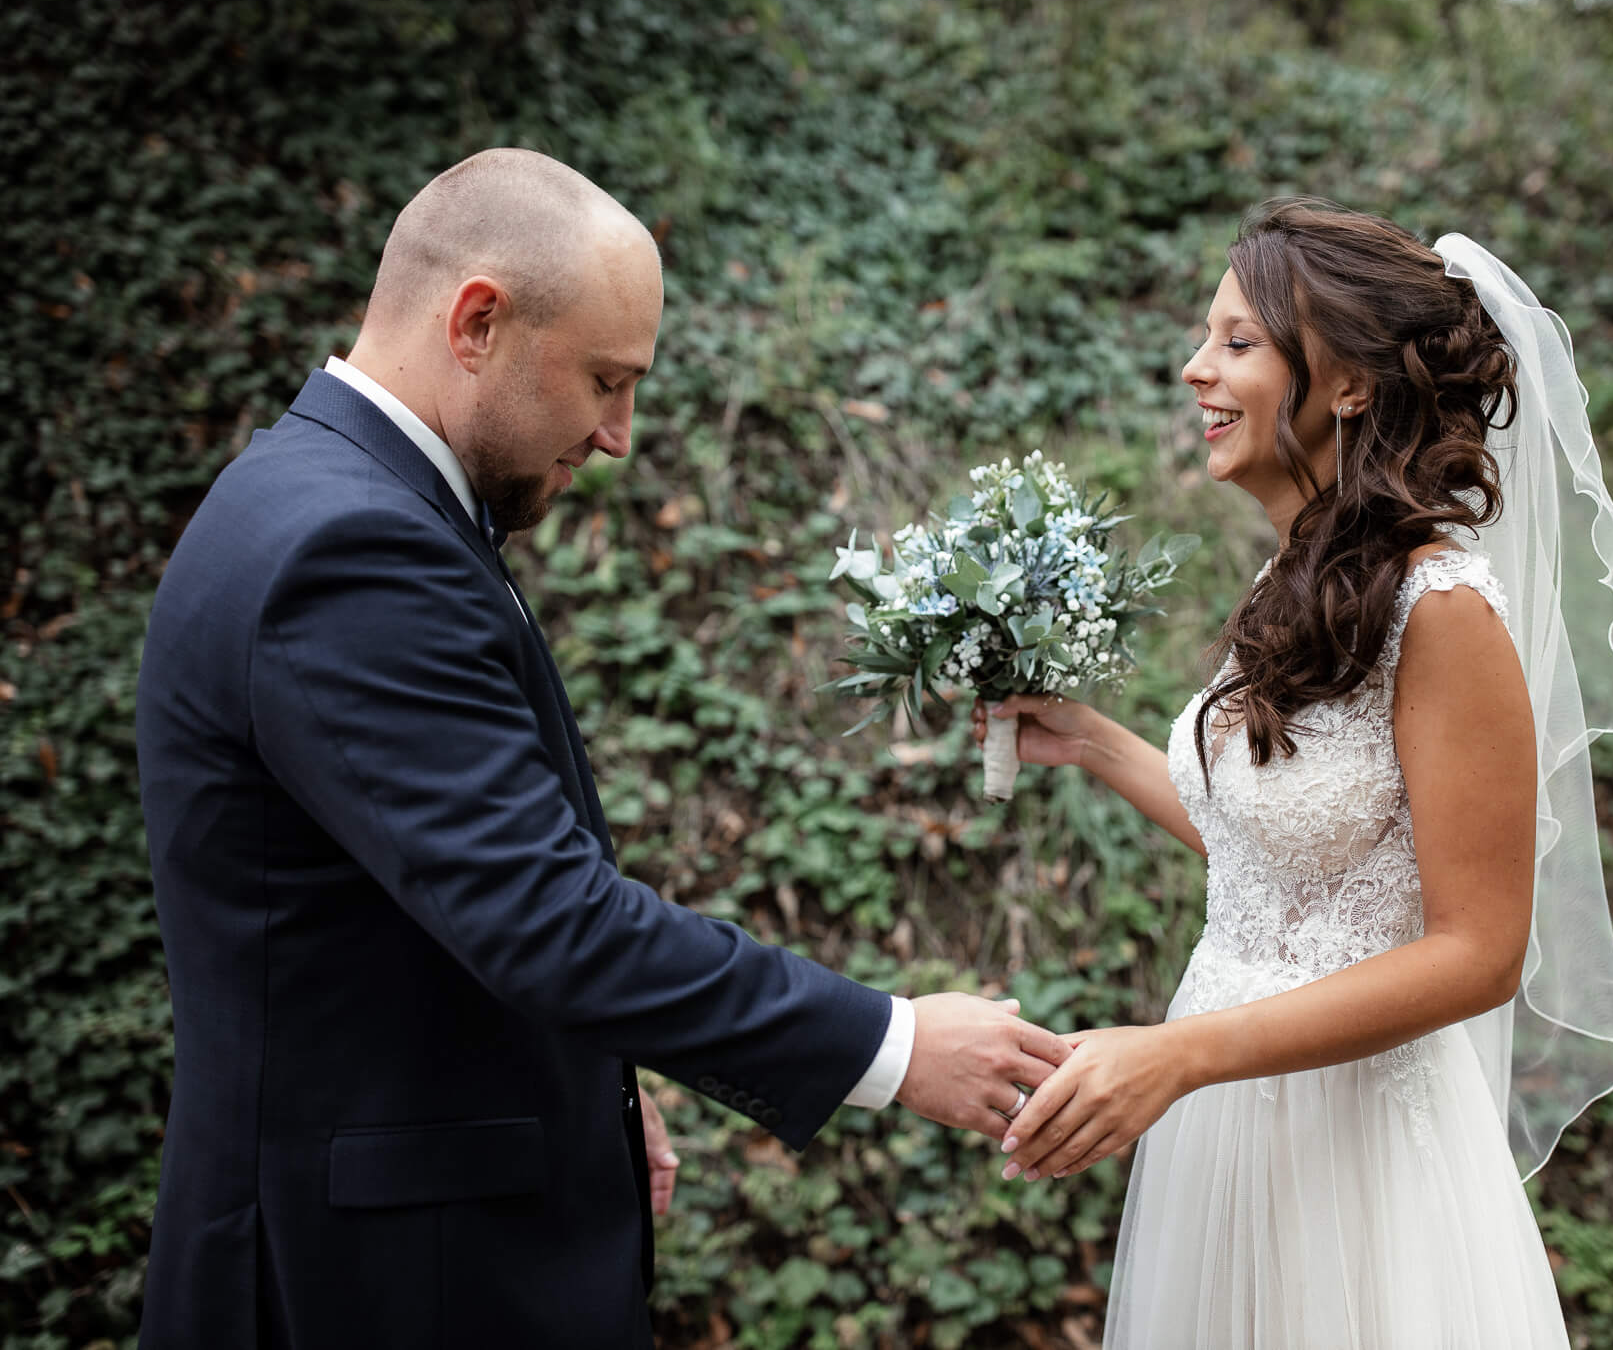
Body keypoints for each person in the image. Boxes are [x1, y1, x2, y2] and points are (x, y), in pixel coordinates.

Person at [134, 149, 1068, 1350]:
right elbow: (542, 913)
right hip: (372, 1282)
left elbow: (438, 897)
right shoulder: (352, 551)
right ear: (477, 321)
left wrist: (587, 1087)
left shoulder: (321, 497)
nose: (619, 435)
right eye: (605, 380)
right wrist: (887, 1043)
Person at [973, 198, 1613, 1347]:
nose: (1194, 369)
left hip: (1357, 1156)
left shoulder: (1440, 611)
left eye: (1236, 342)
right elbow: (1288, 858)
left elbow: (1477, 951)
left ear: (1346, 383)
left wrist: (1179, 1056)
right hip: (1223, 1133)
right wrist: (1088, 742)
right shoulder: (1299, 580)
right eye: (1205, 337)